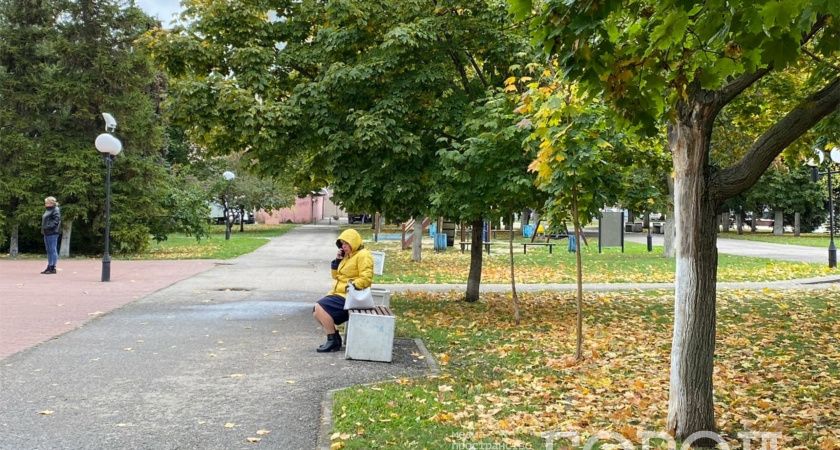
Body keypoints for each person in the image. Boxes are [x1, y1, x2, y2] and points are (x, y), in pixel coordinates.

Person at [312, 229, 374, 352]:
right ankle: (335, 338)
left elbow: (366, 278)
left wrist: (352, 286)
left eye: (346, 243)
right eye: (342, 244)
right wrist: (338, 261)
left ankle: (332, 340)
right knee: (316, 312)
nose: (344, 246)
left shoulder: (363, 255)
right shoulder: (348, 256)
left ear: (354, 242)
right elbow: (336, 276)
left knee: (320, 306)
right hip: (340, 293)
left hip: (351, 296)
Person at [41, 196, 61, 274]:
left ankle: (52, 266)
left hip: (52, 232)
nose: (45, 204)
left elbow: (56, 220)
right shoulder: (48, 210)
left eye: (47, 202)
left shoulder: (56, 209)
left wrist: (48, 227)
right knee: (48, 249)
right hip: (46, 232)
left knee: (52, 249)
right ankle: (49, 265)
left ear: (51, 203)